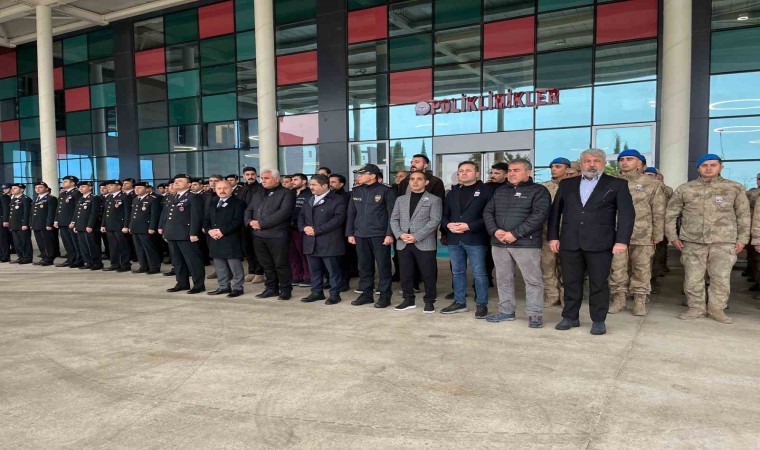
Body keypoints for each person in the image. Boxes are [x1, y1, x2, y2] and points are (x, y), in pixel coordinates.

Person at [548, 148, 635, 335]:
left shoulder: (617, 184)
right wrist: (553, 236)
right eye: (587, 161)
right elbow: (555, 212)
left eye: (596, 161)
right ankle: (570, 316)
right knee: (571, 282)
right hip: (570, 241)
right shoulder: (567, 184)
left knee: (599, 283)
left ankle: (598, 319)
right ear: (581, 164)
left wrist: (621, 241)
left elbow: (627, 214)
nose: (592, 165)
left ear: (603, 163)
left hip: (600, 243)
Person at [666, 154, 750, 324]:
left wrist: (743, 238)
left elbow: (743, 215)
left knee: (720, 278)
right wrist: (672, 237)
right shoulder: (685, 189)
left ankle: (717, 309)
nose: (709, 168)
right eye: (704, 165)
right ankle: (695, 308)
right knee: (693, 278)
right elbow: (671, 214)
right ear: (698, 168)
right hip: (692, 241)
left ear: (721, 167)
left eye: (713, 165)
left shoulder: (734, 188)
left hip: (723, 241)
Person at [483, 159, 551, 328]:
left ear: (528, 172)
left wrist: (515, 234)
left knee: (533, 280)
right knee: (503, 279)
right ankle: (506, 311)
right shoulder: (500, 190)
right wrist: (495, 231)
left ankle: (535, 315)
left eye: (516, 170)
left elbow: (539, 216)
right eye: (510, 170)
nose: (511, 173)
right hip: (499, 243)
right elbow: (488, 211)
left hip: (526, 244)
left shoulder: (539, 191)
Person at [606, 150, 666, 316]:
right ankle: (619, 299)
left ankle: (640, 301)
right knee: (617, 269)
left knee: (642, 269)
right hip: (616, 234)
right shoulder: (610, 182)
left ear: (639, 163)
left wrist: (658, 234)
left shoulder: (652, 184)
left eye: (629, 159)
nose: (625, 162)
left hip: (642, 233)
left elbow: (659, 210)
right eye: (622, 159)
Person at [440, 161, 494, 317]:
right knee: (457, 272)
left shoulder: (486, 191)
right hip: (454, 238)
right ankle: (459, 302)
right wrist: (447, 225)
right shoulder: (452, 192)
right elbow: (444, 214)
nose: (463, 173)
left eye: (468, 170)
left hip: (476, 238)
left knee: (479, 273)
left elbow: (490, 215)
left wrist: (469, 226)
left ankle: (482, 304)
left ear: (477, 173)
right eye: (461, 171)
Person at [390, 171, 443, 312]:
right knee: (405, 273)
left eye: (419, 179)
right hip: (403, 242)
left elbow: (435, 220)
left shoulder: (434, 199)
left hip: (424, 243)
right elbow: (394, 219)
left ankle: (429, 301)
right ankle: (408, 300)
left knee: (428, 274)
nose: (415, 181)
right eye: (412, 179)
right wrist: (400, 235)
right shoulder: (400, 199)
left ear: (426, 182)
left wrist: (416, 236)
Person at [346, 164, 397, 308]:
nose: (359, 176)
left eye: (362, 174)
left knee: (383, 266)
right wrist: (350, 233)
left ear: (373, 176)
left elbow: (392, 214)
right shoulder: (356, 191)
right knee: (364, 266)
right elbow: (351, 213)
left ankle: (385, 296)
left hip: (379, 234)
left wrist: (389, 234)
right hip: (360, 234)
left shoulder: (386, 191)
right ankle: (366, 294)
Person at [245, 169, 295, 300]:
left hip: (277, 235)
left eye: (267, 178)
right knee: (266, 264)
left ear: (277, 179)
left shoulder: (286, 193)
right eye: (262, 178)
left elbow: (283, 213)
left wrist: (261, 224)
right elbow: (249, 209)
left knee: (281, 264)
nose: (263, 180)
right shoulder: (258, 193)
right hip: (259, 235)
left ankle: (285, 289)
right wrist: (249, 222)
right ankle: (271, 288)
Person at [298, 174, 347, 304]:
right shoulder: (309, 199)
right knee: (314, 270)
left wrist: (317, 230)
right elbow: (301, 216)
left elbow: (338, 219)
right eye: (310, 184)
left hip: (329, 241)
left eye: (314, 185)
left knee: (333, 271)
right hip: (310, 241)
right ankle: (316, 292)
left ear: (325, 185)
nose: (311, 187)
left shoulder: (337, 199)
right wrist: (304, 228)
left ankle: (335, 294)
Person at [159, 174, 206, 294]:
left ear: (189, 184)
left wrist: (194, 233)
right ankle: (182, 283)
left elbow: (196, 217)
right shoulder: (172, 197)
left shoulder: (193, 197)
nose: (176, 183)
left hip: (186, 234)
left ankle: (199, 285)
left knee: (193, 261)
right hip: (172, 233)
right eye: (175, 181)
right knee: (177, 261)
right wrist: (165, 231)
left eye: (180, 181)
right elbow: (167, 216)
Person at [205, 180, 247, 298]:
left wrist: (221, 231)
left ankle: (238, 288)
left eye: (225, 188)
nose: (222, 191)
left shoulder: (238, 203)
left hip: (231, 238)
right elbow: (206, 219)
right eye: (219, 188)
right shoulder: (213, 202)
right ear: (215, 190)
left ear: (231, 189)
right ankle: (223, 286)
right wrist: (209, 231)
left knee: (234, 265)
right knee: (219, 265)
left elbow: (238, 221)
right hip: (215, 238)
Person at [540, 157, 571, 308]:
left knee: (566, 267)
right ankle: (552, 295)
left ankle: (566, 297)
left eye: (558, 166)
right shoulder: (543, 187)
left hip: (568, 234)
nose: (553, 169)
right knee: (547, 266)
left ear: (568, 169)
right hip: (547, 234)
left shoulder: (575, 187)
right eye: (552, 167)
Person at [237, 167, 265, 284]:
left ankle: (259, 272)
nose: (250, 176)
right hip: (243, 223)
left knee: (257, 249)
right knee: (247, 248)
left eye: (252, 174)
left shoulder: (261, 188)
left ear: (256, 175)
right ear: (244, 176)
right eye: (247, 174)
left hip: (255, 223)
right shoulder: (241, 189)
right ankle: (251, 271)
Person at [127, 182, 162, 274]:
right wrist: (130, 226)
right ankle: (143, 266)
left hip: (146, 228)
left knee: (149, 248)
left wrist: (152, 227)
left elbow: (154, 215)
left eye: (139, 187)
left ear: (146, 189)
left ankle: (154, 267)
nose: (137, 189)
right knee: (139, 249)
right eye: (135, 188)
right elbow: (132, 214)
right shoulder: (135, 199)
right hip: (135, 227)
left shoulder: (152, 199)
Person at [100, 180, 132, 272]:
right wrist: (103, 224)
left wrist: (126, 225)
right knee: (113, 246)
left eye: (111, 185)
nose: (108, 187)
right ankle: (115, 264)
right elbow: (106, 212)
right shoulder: (110, 197)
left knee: (122, 246)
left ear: (119, 186)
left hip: (120, 226)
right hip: (110, 225)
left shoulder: (125, 196)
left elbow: (127, 213)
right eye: (108, 186)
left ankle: (125, 264)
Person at [71, 181, 104, 270]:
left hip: (90, 227)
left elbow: (94, 213)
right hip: (80, 226)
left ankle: (97, 263)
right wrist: (75, 225)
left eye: (83, 186)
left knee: (92, 246)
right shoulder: (81, 199)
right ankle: (88, 262)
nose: (81, 188)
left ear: (90, 187)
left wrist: (90, 225)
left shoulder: (94, 198)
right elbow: (77, 213)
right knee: (83, 246)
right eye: (80, 187)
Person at [289, 173, 312, 287]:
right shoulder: (290, 193)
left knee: (304, 253)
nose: (292, 182)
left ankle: (308, 277)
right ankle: (296, 276)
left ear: (304, 181)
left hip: (302, 228)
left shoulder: (309, 194)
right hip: (289, 228)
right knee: (293, 254)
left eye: (295, 179)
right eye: (292, 179)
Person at [54, 175, 82, 268]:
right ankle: (70, 259)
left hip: (71, 222)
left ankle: (78, 260)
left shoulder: (77, 193)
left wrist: (74, 221)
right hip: (62, 222)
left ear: (73, 183)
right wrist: (56, 219)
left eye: (66, 181)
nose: (63, 183)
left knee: (75, 243)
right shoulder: (63, 193)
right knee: (67, 243)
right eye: (63, 181)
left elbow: (77, 209)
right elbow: (59, 208)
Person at [30, 181, 58, 266]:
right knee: (40, 242)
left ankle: (49, 259)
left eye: (40, 187)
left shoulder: (50, 198)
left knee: (47, 242)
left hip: (45, 224)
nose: (37, 189)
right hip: (36, 224)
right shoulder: (36, 198)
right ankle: (44, 257)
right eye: (36, 187)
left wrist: (49, 224)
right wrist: (31, 223)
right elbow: (33, 212)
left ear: (46, 189)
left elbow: (51, 212)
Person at [6, 183, 32, 264]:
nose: (12, 190)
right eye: (12, 188)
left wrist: (25, 224)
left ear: (22, 189)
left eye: (15, 188)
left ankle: (27, 258)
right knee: (17, 243)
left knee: (25, 242)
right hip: (14, 224)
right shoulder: (13, 199)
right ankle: (20, 257)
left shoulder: (25, 199)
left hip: (22, 224)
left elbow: (26, 213)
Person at [745, 173, 760, 291]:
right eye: (758, 179)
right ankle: (756, 279)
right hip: (753, 227)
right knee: (754, 256)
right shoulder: (752, 193)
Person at [0, 183, 10, 262]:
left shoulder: (3, 197)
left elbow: (6, 209)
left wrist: (5, 220)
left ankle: (5, 256)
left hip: (1, 221)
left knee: (3, 240)